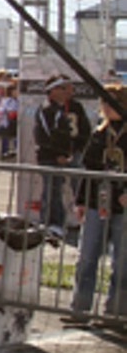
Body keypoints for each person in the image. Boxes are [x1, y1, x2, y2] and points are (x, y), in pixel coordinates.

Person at [68, 83, 127, 322]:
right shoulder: (99, 133)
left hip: (122, 204)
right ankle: (79, 309)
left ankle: (117, 311)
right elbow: (88, 169)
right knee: (87, 256)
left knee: (122, 260)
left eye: (112, 103)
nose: (106, 107)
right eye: (104, 102)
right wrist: (81, 200)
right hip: (97, 202)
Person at [35, 76, 90, 235]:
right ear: (51, 91)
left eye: (68, 87)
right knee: (52, 188)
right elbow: (44, 135)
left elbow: (84, 129)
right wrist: (58, 154)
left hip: (74, 153)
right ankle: (52, 223)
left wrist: (77, 149)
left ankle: (85, 221)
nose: (67, 91)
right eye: (62, 88)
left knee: (80, 187)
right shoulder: (46, 109)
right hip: (51, 156)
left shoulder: (76, 106)